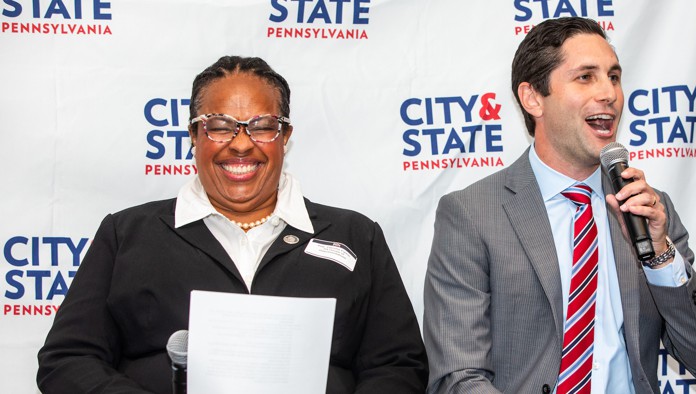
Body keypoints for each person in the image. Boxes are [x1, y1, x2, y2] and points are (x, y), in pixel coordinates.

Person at [37, 56, 428, 393]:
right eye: (220, 126)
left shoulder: (356, 236)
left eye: (261, 126)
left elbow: (398, 365)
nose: (241, 144)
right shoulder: (126, 235)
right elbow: (68, 360)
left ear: (285, 136)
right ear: (193, 134)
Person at [423, 17, 696, 394]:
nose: (609, 94)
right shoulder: (472, 215)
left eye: (614, 77)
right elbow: (458, 377)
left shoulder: (648, 210)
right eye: (586, 77)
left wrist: (661, 257)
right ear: (533, 97)